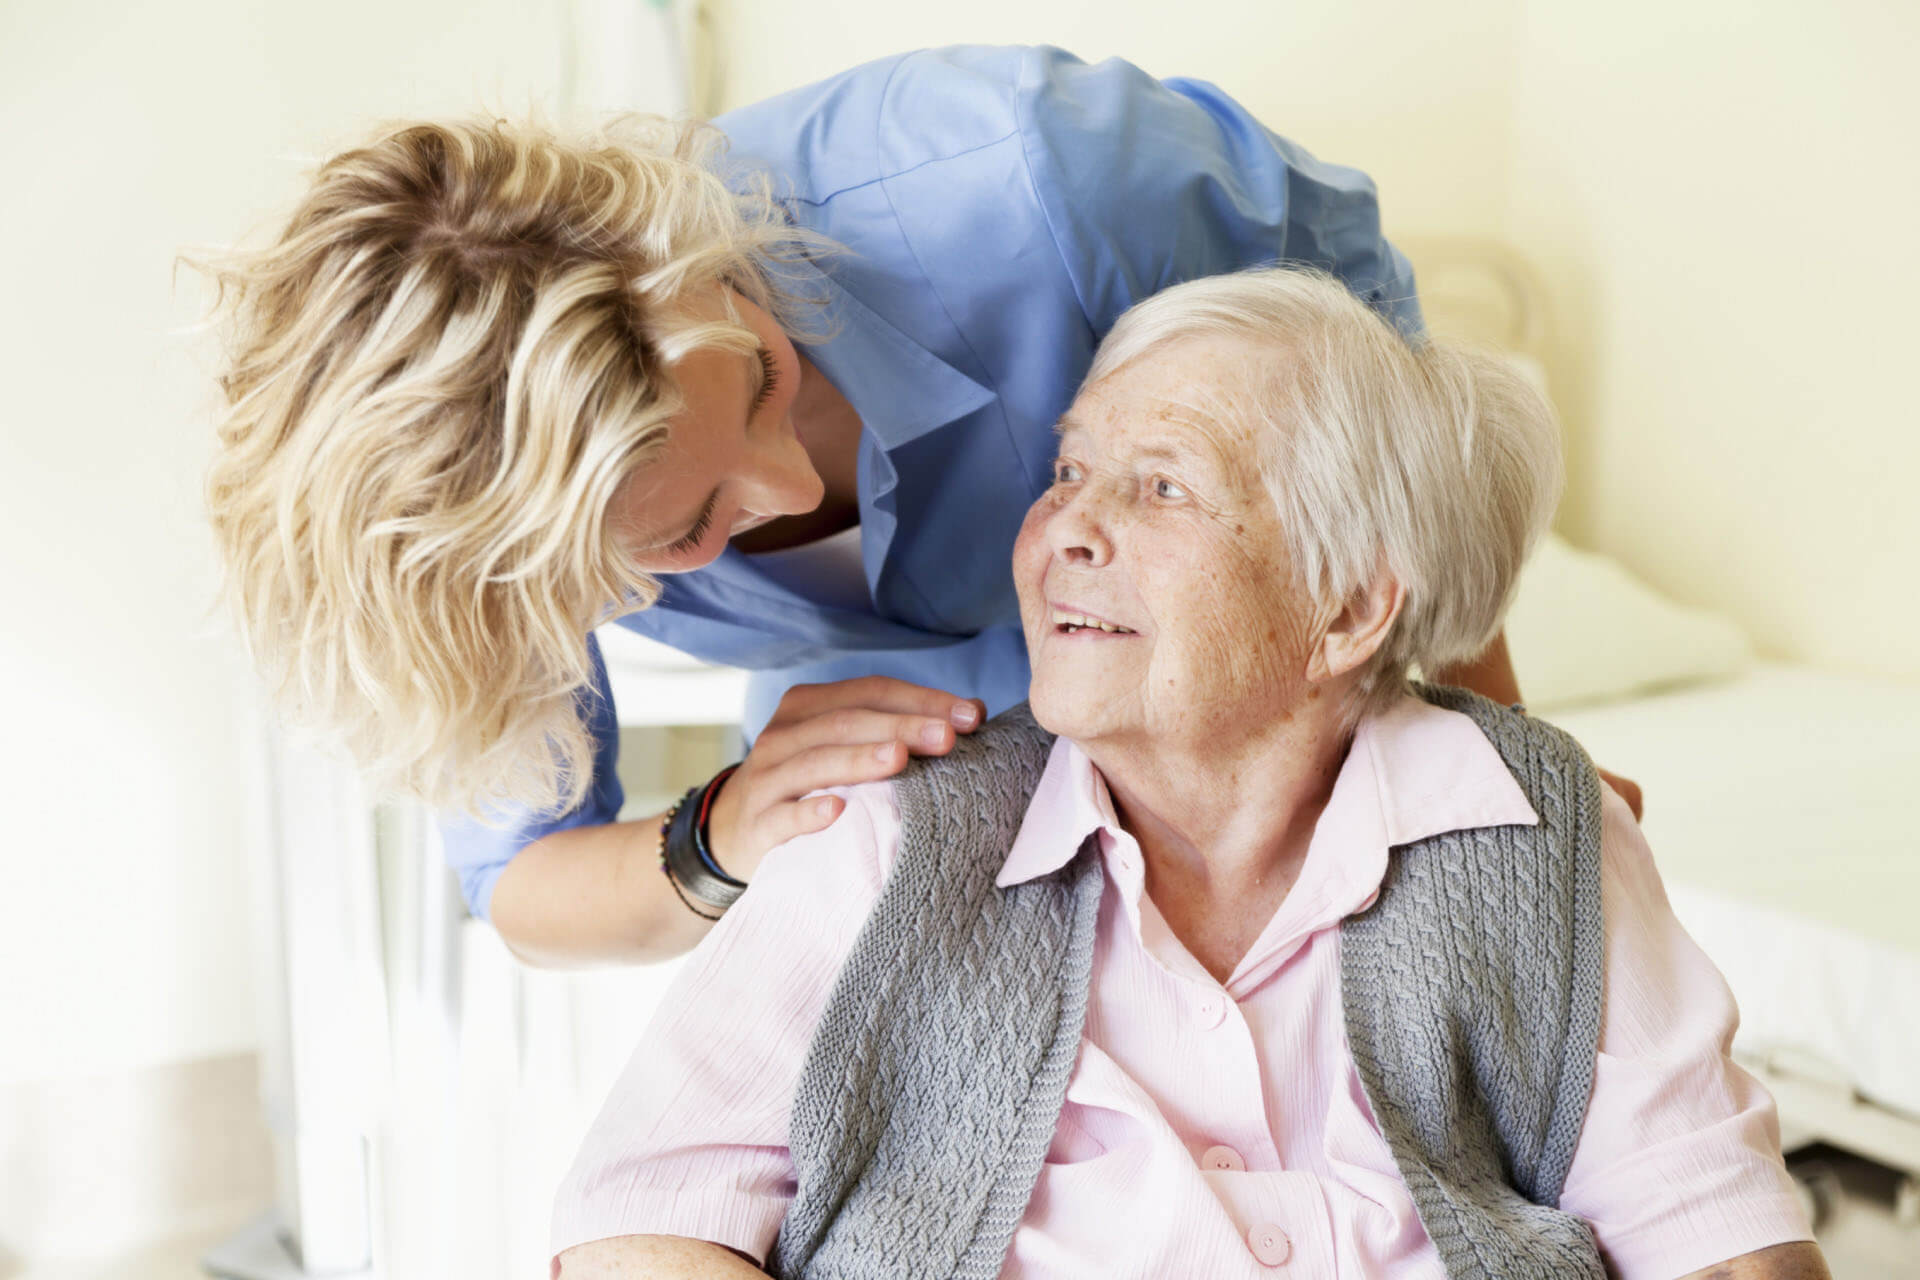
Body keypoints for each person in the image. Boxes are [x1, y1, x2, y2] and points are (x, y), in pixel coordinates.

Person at [201, 44, 1636, 968]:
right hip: (915, 783)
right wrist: (719, 834)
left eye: (762, 383)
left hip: (1223, 695)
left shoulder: (1040, 183)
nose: (783, 495)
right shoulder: (495, 530)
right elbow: (522, 887)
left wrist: (1499, 755)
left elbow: (1388, 427)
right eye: (687, 535)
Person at [548, 268, 1822, 1280]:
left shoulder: (1543, 832)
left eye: (1161, 485)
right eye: (1066, 471)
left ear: (1347, 608)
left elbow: (1720, 1236)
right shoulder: (883, 836)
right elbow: (638, 1224)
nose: (1064, 532)